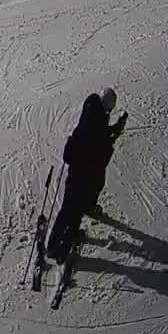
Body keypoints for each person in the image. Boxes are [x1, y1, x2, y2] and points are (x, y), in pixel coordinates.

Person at [46, 88, 127, 263]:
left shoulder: (90, 112)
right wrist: (113, 135)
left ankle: (54, 245)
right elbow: (102, 150)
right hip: (85, 174)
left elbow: (99, 136)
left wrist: (112, 131)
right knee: (74, 210)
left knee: (69, 207)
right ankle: (59, 248)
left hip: (76, 169)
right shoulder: (98, 123)